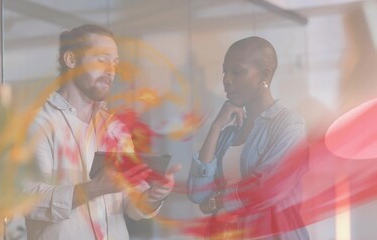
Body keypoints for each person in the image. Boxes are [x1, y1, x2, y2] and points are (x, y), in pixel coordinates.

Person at [24, 24, 179, 240]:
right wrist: (92, 189)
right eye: (101, 59)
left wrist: (153, 196)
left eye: (115, 63)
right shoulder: (37, 122)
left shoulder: (114, 127)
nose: (111, 71)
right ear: (71, 60)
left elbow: (132, 203)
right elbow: (23, 199)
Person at [187, 37, 309, 239]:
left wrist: (217, 202)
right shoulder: (228, 132)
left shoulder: (289, 124)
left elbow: (267, 189)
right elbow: (198, 193)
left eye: (237, 71)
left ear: (265, 75)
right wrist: (216, 126)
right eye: (225, 72)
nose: (227, 80)